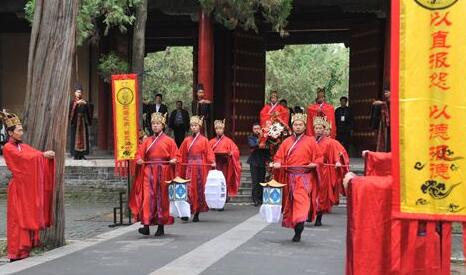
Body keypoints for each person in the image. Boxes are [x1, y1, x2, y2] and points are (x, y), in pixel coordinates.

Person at [0, 111, 55, 261]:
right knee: (17, 220)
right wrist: (42, 156)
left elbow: (34, 153)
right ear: (11, 133)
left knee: (26, 215)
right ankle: (15, 252)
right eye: (19, 130)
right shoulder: (8, 148)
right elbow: (24, 159)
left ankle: (24, 250)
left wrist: (44, 155)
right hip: (18, 189)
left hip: (26, 188)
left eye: (22, 129)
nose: (21, 132)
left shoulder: (23, 146)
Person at [270, 113, 322, 242]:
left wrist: (315, 163)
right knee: (292, 205)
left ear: (305, 126)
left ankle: (301, 222)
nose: (298, 127)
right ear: (292, 126)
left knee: (302, 201)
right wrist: (277, 163)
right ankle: (297, 229)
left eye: (300, 125)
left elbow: (319, 157)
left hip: (304, 177)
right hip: (289, 177)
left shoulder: (311, 141)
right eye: (295, 124)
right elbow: (279, 157)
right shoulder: (286, 142)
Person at [129, 112, 178, 237]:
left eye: (157, 124)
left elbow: (177, 155)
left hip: (163, 171)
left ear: (163, 125)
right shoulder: (147, 141)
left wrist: (173, 160)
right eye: (153, 124)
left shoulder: (169, 141)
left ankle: (160, 226)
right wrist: (139, 159)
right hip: (149, 171)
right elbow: (139, 153)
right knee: (147, 198)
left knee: (161, 198)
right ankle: (146, 225)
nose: (155, 126)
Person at [177, 116, 215, 222]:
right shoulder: (186, 140)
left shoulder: (204, 140)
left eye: (195, 126)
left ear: (199, 127)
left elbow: (209, 153)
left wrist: (212, 161)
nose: (193, 128)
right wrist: (177, 160)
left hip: (200, 167)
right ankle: (186, 211)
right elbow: (181, 153)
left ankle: (197, 212)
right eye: (192, 126)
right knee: (188, 189)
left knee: (198, 189)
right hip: (189, 166)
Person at [313, 116, 343, 226]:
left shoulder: (329, 142)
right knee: (310, 192)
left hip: (323, 170)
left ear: (324, 129)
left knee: (321, 194)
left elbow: (335, 154)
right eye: (316, 128)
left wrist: (337, 162)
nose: (319, 130)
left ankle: (319, 217)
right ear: (314, 129)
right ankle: (309, 214)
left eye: (321, 128)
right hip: (311, 169)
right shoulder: (310, 141)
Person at [209, 119, 241, 201]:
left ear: (223, 130)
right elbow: (207, 152)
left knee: (223, 181)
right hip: (215, 165)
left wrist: (231, 153)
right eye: (217, 129)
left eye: (220, 128)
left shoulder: (228, 141)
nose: (218, 130)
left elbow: (236, 151)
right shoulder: (211, 142)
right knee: (214, 182)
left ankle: (223, 197)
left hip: (225, 165)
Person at [247, 122, 270, 206]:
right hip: (254, 162)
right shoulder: (251, 137)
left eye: (258, 129)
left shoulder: (266, 137)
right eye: (255, 129)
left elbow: (267, 148)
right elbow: (252, 145)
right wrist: (260, 140)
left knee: (261, 181)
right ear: (253, 130)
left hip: (262, 162)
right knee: (255, 181)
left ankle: (261, 198)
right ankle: (255, 199)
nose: (257, 130)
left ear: (261, 129)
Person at [69, 83, 93, 160]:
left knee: (84, 138)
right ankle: (75, 155)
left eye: (80, 92)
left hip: (82, 122)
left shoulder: (84, 101)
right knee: (75, 138)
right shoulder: (72, 102)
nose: (79, 93)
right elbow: (70, 112)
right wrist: (76, 104)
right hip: (76, 123)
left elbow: (90, 108)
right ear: (75, 93)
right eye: (77, 92)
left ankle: (82, 155)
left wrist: (86, 104)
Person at [370, 84, 391, 152]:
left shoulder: (391, 101)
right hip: (386, 123)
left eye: (387, 92)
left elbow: (386, 103)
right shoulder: (385, 101)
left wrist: (381, 103)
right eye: (385, 92)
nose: (385, 94)